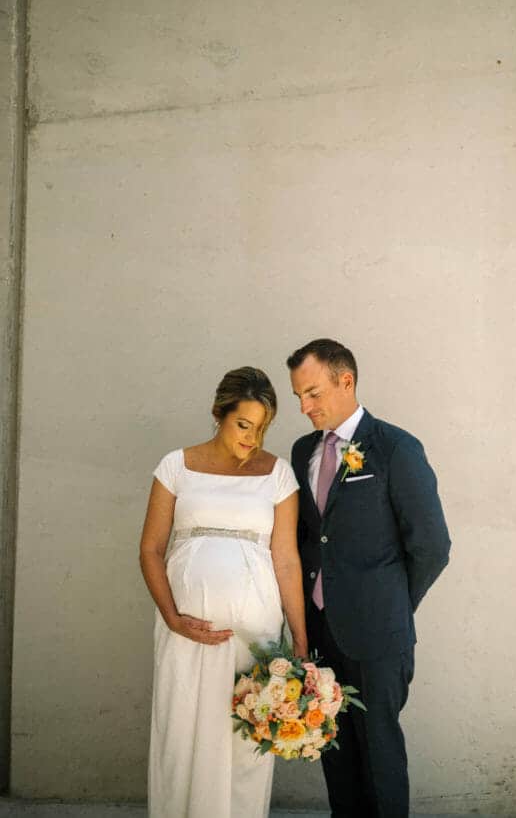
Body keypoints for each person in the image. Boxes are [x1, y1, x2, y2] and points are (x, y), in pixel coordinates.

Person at [287, 339, 451, 818]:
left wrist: (392, 603)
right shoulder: (303, 453)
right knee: (334, 756)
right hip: (320, 632)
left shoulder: (396, 448)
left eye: (313, 393)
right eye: (298, 395)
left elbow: (432, 546)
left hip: (378, 633)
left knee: (379, 758)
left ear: (346, 381)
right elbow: (306, 538)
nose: (304, 406)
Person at [140, 366, 307, 818]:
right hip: (185, 631)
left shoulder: (278, 475)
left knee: (244, 739)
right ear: (219, 414)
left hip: (253, 634)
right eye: (243, 425)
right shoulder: (176, 466)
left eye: (262, 428)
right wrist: (173, 616)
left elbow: (287, 560)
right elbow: (151, 549)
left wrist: (301, 642)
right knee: (181, 733)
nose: (252, 439)